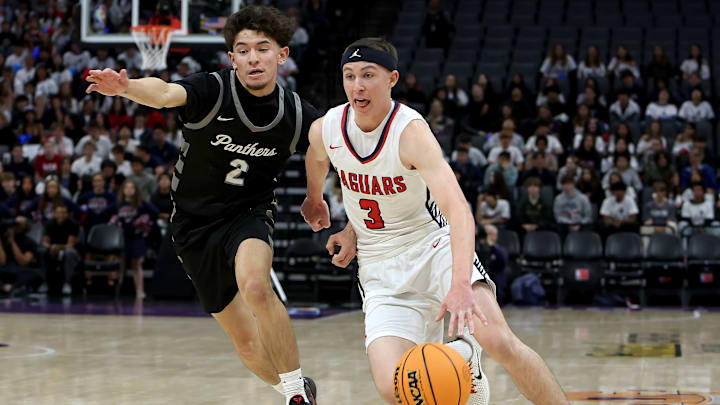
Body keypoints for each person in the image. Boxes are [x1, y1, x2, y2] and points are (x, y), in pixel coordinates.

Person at [300, 37, 568, 405]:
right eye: (349, 76)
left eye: (368, 75)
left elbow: (459, 211)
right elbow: (317, 157)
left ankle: (467, 354)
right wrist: (318, 202)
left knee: (499, 342)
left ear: (392, 79)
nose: (357, 85)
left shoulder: (410, 132)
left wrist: (459, 284)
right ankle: (460, 359)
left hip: (433, 248)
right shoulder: (328, 128)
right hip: (379, 267)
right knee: (395, 388)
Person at [85, 6, 321, 404]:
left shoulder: (296, 114)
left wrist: (315, 196)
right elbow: (163, 92)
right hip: (193, 226)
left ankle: (295, 394)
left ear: (282, 54)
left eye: (262, 49)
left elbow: (326, 149)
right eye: (243, 50)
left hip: (248, 213)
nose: (252, 58)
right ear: (232, 58)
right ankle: (298, 390)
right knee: (246, 345)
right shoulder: (212, 90)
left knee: (255, 285)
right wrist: (125, 87)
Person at [42, 204, 81, 296]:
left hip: (68, 249)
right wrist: (50, 247)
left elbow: (71, 244)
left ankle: (67, 283)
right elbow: (45, 242)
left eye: (63, 213)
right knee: (42, 251)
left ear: (67, 214)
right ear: (54, 214)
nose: (60, 215)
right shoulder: (49, 224)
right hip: (53, 248)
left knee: (69, 253)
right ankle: (45, 282)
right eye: (58, 212)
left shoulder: (73, 224)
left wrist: (58, 247)